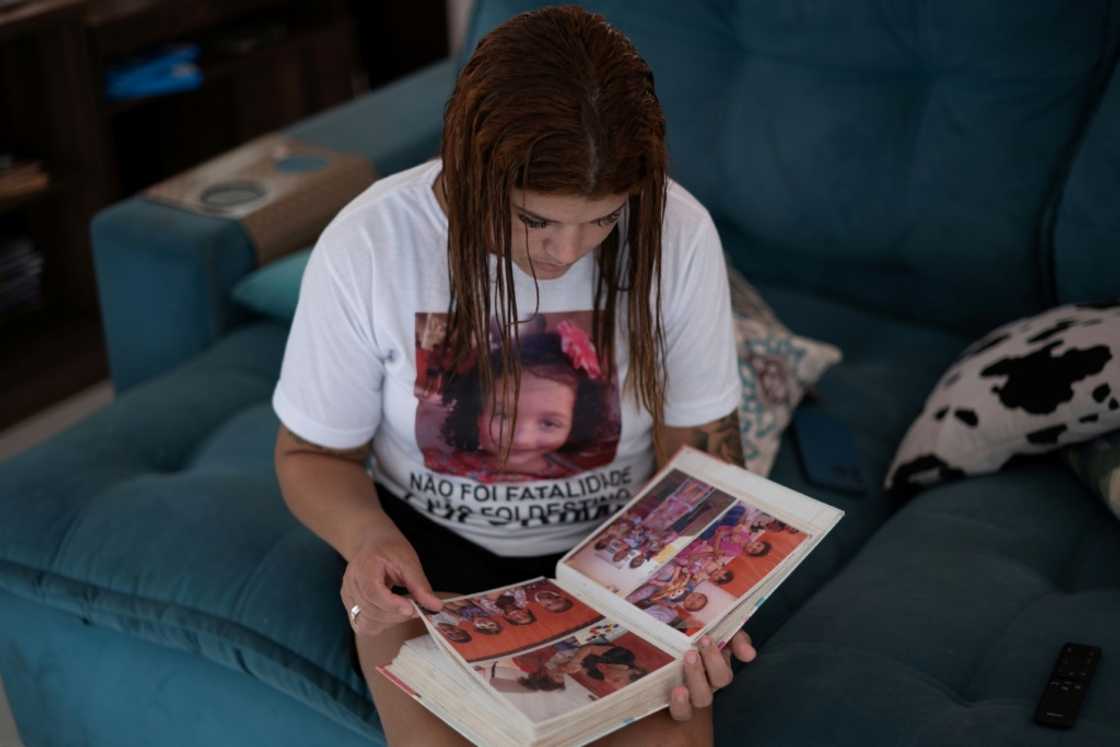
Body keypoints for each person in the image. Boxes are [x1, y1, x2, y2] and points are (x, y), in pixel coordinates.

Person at [272, 6, 755, 745]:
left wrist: (708, 607)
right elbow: (308, 454)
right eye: (536, 222)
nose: (568, 253)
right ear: (470, 167)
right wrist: (366, 537)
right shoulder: (370, 244)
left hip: (617, 569)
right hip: (429, 566)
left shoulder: (678, 234)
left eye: (602, 221)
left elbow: (702, 455)